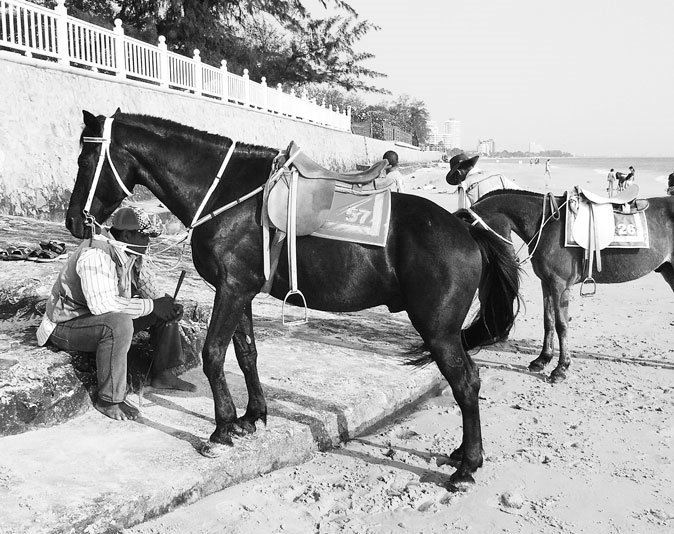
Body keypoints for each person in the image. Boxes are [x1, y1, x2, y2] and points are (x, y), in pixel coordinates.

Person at [36, 207, 196, 421]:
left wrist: (166, 306)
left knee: (164, 306)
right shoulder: (96, 254)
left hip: (94, 319)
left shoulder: (131, 252)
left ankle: (163, 373)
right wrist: (151, 307)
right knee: (118, 324)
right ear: (127, 235)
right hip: (66, 324)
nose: (148, 242)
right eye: (144, 236)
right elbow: (102, 306)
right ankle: (109, 399)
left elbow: (153, 295)